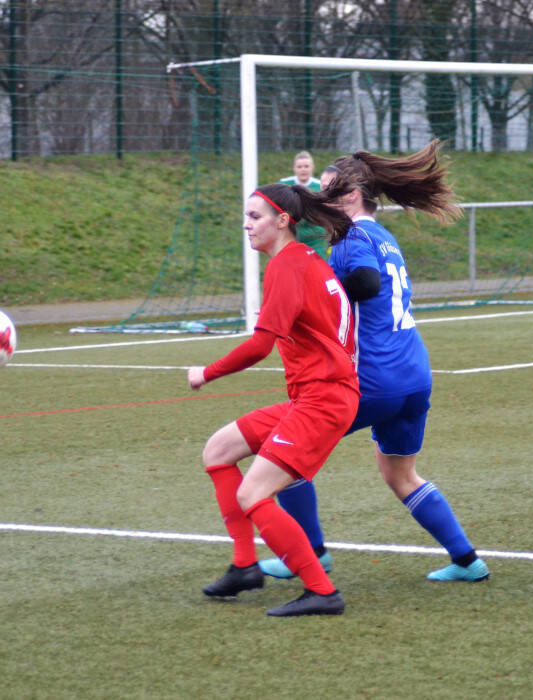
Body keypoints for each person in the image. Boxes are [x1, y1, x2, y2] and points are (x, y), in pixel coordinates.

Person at [259, 141, 490, 583]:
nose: (320, 201)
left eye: (327, 192)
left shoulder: (352, 235)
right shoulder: (383, 236)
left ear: (351, 196)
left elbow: (363, 281)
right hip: (414, 375)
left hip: (373, 378)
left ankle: (311, 554)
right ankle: (467, 560)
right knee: (400, 474)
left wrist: (318, 291)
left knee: (284, 451)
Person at [187, 183, 360, 617]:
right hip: (317, 395)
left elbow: (261, 344)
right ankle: (246, 566)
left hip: (324, 398)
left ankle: (322, 592)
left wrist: (206, 373)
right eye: (245, 216)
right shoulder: (306, 260)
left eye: (255, 216)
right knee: (219, 450)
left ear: (283, 221)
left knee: (253, 494)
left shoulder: (287, 265)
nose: (246, 224)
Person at [279, 151, 328, 259]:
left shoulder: (320, 186)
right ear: (294, 168)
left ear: (312, 168)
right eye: (299, 166)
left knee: (317, 270)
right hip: (291, 235)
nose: (303, 169)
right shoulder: (284, 184)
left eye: (306, 166)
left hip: (315, 237)